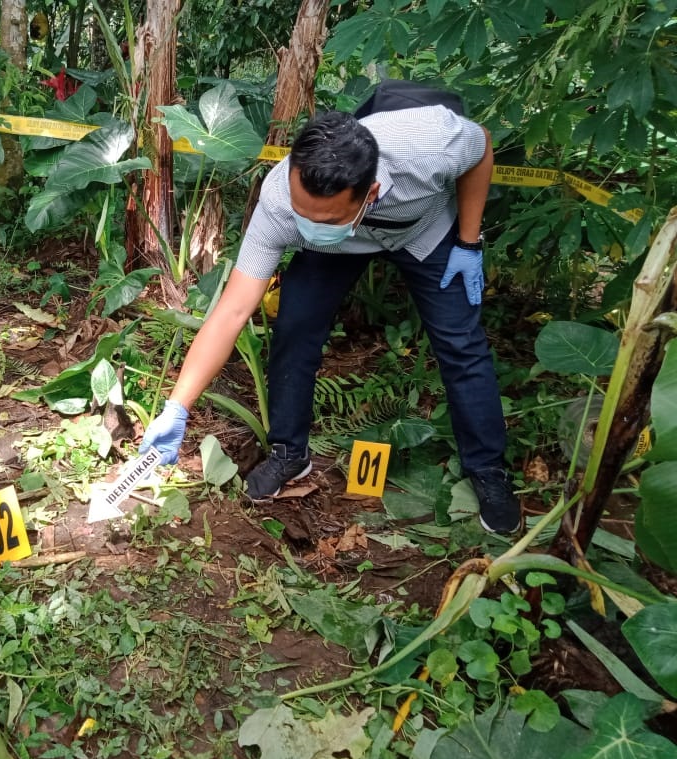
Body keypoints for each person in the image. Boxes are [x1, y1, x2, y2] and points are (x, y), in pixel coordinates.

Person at [140, 105, 522, 535]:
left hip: (424, 232)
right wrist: (177, 407)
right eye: (301, 211)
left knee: (461, 343)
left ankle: (488, 470)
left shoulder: (430, 144)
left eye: (322, 217)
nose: (306, 221)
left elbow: (481, 146)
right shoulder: (279, 203)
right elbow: (232, 310)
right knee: (294, 327)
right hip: (335, 248)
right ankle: (290, 454)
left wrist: (469, 242)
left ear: (371, 193)